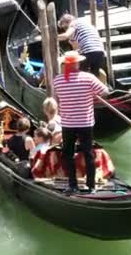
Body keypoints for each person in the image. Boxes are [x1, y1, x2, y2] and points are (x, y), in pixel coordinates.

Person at [53, 50, 109, 194]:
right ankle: (91, 186)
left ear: (65, 64)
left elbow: (60, 96)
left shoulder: (57, 80)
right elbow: (105, 92)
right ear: (77, 63)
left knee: (68, 155)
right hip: (85, 123)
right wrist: (92, 95)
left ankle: (73, 185)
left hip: (68, 124)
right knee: (88, 153)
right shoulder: (88, 78)